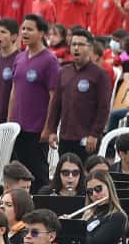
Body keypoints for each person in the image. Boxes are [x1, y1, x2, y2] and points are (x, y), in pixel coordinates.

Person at [43, 28, 112, 161]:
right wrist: (51, 130)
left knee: (85, 175)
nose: (76, 48)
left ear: (90, 48)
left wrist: (95, 134)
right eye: (73, 44)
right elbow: (56, 103)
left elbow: (103, 107)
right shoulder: (64, 72)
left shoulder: (99, 74)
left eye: (80, 45)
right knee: (66, 173)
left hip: (87, 138)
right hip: (65, 135)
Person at [8, 15, 60, 188]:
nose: (24, 32)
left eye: (30, 29)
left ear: (41, 33)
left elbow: (54, 96)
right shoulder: (19, 58)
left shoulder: (49, 60)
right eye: (23, 28)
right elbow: (14, 91)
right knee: (18, 173)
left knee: (38, 174)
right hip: (18, 127)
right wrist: (10, 122)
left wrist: (49, 126)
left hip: (37, 128)